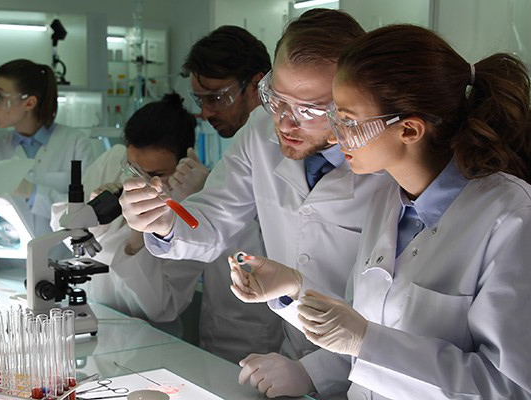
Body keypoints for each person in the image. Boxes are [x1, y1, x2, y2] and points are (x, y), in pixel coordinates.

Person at [231, 24, 531, 399]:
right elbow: (358, 332)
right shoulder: (387, 199)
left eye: (348, 121)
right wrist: (294, 289)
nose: (336, 136)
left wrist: (366, 342)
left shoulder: (510, 219)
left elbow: (508, 387)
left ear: (409, 129)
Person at [119, 10, 393, 398]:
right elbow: (212, 220)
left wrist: (313, 372)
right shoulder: (260, 130)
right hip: (289, 351)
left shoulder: (387, 164)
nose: (284, 123)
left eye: (311, 110)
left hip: (371, 373)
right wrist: (161, 221)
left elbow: (394, 317)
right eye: (275, 99)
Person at [52, 93, 283, 362]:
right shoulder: (113, 163)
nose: (142, 182)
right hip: (96, 322)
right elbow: (65, 228)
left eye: (156, 175)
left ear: (183, 162)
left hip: (150, 344)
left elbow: (160, 307)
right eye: (133, 169)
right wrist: (91, 213)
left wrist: (138, 238)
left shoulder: (189, 207)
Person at [0, 59, 94, 280]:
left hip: (63, 269)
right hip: (9, 272)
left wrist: (34, 193)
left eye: (0, 96)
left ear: (29, 102)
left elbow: (88, 213)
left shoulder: (75, 143)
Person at [185, 25, 270, 138]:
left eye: (216, 98)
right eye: (200, 100)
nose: (205, 114)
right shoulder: (247, 145)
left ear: (256, 85)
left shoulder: (289, 148)